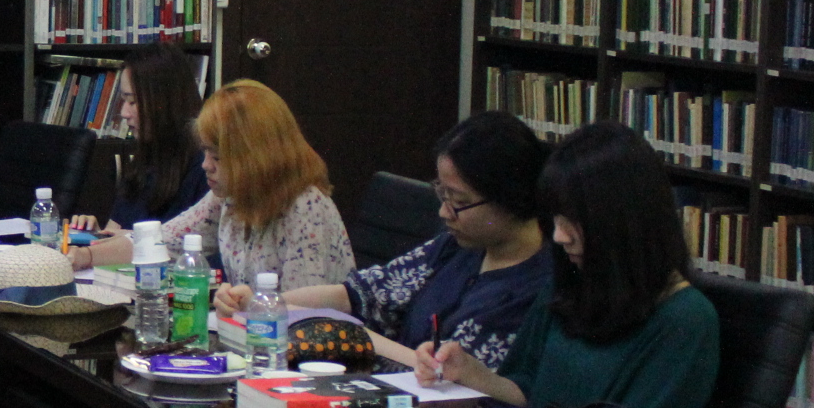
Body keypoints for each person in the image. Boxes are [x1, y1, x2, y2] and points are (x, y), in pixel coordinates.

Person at [415, 121, 720, 408]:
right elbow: (526, 391)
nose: (558, 236)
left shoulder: (685, 319)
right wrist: (471, 373)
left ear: (621, 222)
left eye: (573, 220)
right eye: (555, 218)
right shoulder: (569, 284)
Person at [219, 111, 549, 370]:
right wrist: (266, 303)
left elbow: (447, 372)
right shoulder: (455, 247)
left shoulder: (537, 287)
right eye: (442, 194)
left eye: (459, 202)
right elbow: (356, 294)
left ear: (510, 199)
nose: (444, 212)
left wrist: (354, 336)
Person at [79, 79, 352, 288]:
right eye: (206, 153)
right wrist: (84, 258)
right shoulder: (231, 195)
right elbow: (162, 242)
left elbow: (306, 313)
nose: (205, 165)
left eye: (218, 157)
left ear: (256, 157)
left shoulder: (305, 209)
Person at [95, 43, 207, 230]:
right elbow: (115, 229)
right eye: (124, 100)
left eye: (133, 101)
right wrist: (96, 235)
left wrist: (123, 240)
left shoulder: (204, 166)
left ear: (163, 101)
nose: (124, 113)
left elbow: (182, 241)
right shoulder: (146, 157)